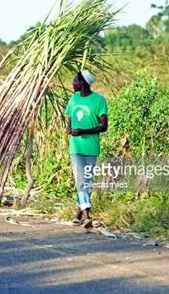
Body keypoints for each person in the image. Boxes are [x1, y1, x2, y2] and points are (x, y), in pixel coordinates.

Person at [66, 70, 108, 229]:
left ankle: (78, 214)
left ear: (82, 82)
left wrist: (84, 131)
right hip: (75, 147)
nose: (73, 84)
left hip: (91, 148)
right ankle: (87, 216)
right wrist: (69, 129)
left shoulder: (99, 100)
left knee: (87, 182)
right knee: (80, 181)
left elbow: (104, 126)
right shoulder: (73, 99)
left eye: (75, 81)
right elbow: (69, 118)